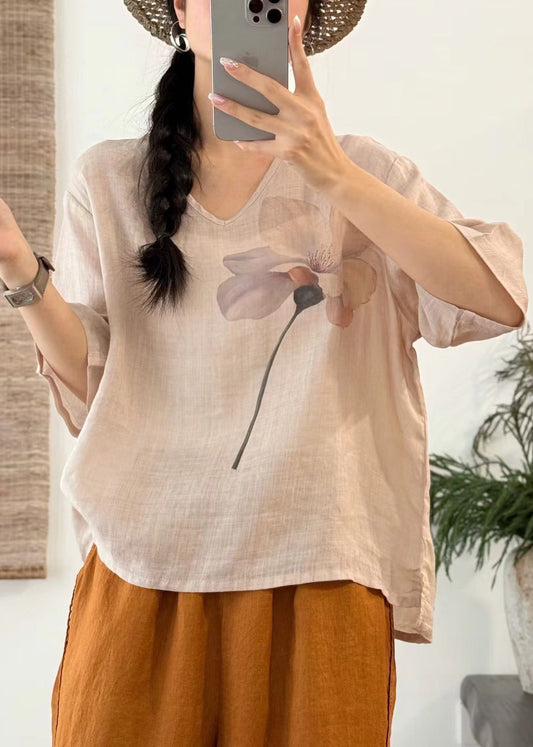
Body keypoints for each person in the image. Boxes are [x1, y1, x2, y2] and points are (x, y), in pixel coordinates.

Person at [0, 0, 528, 744]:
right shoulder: (109, 179)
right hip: (141, 572)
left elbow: (499, 299)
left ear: (303, 16)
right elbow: (96, 385)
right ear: (180, 8)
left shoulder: (369, 174)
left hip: (319, 574)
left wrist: (336, 177)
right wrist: (18, 268)